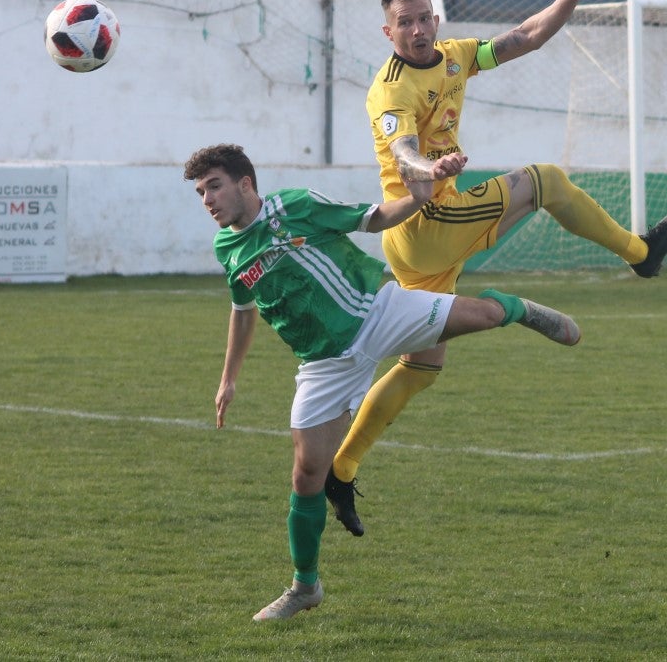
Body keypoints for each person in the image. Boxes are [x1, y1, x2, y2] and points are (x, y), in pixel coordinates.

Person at [323, 0, 667, 537]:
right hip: (427, 221)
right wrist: (431, 169)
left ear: (436, 19)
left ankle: (341, 469)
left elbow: (524, 37)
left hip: (420, 243)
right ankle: (643, 255)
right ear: (388, 32)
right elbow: (403, 151)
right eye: (404, 23)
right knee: (546, 181)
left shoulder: (455, 56)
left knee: (422, 364)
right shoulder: (390, 90)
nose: (417, 30)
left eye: (423, 18)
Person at [184, 143, 580, 621]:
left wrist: (418, 197)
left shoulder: (293, 206)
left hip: (377, 312)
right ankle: (305, 587)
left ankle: (517, 308)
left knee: (484, 316)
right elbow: (243, 312)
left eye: (214, 186)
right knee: (307, 475)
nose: (207, 199)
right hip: (324, 364)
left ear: (245, 183)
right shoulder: (227, 248)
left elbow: (371, 218)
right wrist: (228, 379)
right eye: (201, 192)